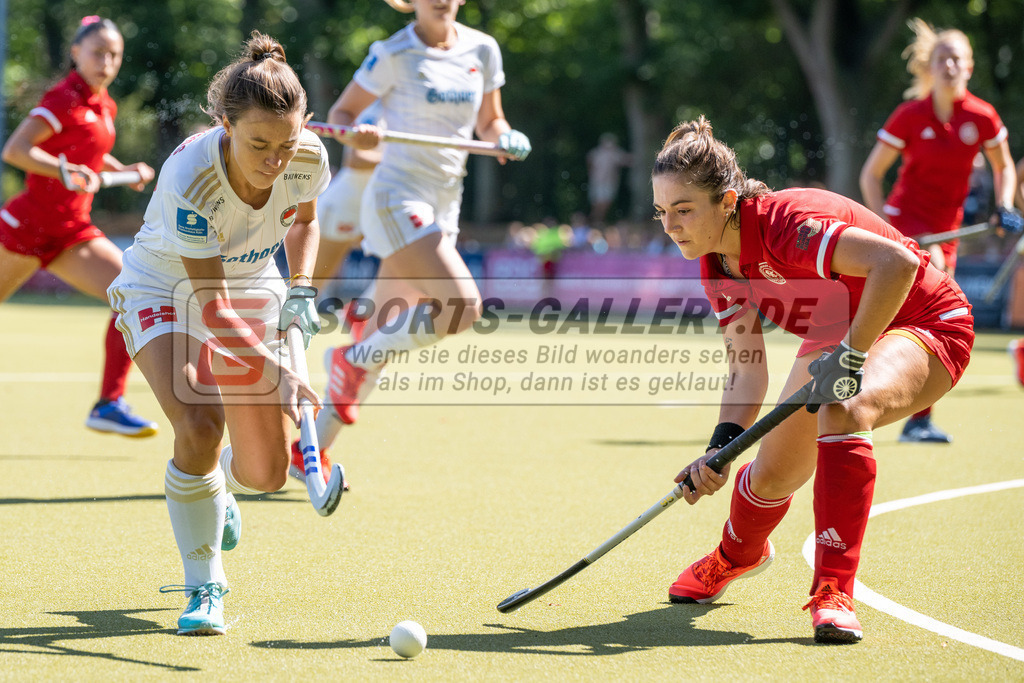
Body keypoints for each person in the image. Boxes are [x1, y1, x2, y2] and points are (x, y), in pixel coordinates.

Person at [653, 117, 973, 643]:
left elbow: (896, 265)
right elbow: (747, 367)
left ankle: (833, 591)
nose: (670, 225)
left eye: (683, 210)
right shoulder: (715, 264)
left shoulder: (787, 223)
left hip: (926, 320)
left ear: (727, 202)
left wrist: (850, 356)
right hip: (839, 330)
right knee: (772, 476)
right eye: (662, 211)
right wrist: (720, 450)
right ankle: (737, 555)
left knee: (845, 406)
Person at [107, 31, 329, 635]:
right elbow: (214, 312)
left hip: (253, 281)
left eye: (286, 143)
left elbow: (304, 222)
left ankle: (215, 483)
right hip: (166, 286)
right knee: (200, 424)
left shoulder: (309, 156)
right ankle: (204, 585)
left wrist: (302, 287)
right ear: (225, 125)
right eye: (259, 144)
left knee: (266, 474)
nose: (275, 160)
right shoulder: (192, 178)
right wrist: (280, 373)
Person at [317, 0, 530, 432]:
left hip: (445, 202)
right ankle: (351, 359)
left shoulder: (483, 49)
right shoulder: (391, 53)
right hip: (397, 198)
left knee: (379, 338)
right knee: (461, 308)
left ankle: (308, 452)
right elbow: (342, 116)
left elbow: (491, 121)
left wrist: (505, 135)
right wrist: (357, 137)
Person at [859, 18, 1020, 444]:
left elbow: (1004, 166)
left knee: (930, 316)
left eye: (957, 59)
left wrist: (1004, 205)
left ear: (969, 67)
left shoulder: (982, 116)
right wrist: (882, 227)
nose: (949, 65)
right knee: (926, 307)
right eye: (942, 58)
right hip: (904, 222)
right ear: (930, 67)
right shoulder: (910, 115)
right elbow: (871, 175)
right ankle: (876, 400)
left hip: (945, 231)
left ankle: (916, 418)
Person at [0, 16, 158, 437]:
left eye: (114, 55)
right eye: (98, 53)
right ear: (76, 53)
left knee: (135, 292)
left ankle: (109, 404)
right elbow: (16, 150)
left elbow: (88, 153)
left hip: (71, 232)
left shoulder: (104, 104)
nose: (107, 62)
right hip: (25, 228)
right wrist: (62, 169)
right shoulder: (62, 99)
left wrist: (121, 170)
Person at [286, 103, 385, 488]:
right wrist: (398, 155)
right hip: (349, 203)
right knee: (305, 295)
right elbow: (358, 157)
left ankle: (363, 312)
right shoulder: (381, 101)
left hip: (386, 203)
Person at [586, 132, 632, 226]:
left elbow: (627, 160)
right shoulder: (598, 153)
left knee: (604, 203)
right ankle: (595, 221)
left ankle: (596, 221)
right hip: (599, 182)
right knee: (599, 203)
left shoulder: (614, 153)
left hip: (608, 183)